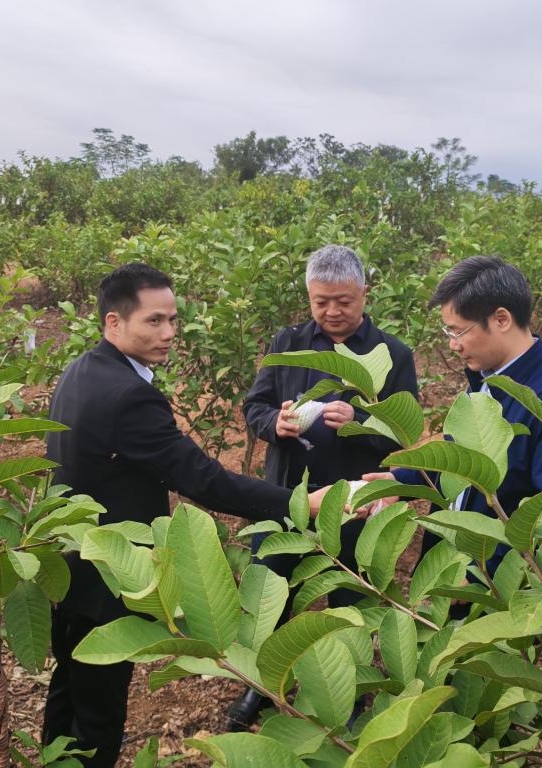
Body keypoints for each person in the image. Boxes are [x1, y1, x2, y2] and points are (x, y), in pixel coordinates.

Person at [41, 263, 328, 767]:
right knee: (99, 719)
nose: (170, 332)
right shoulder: (130, 394)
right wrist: (298, 503)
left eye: (173, 319)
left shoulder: (82, 370)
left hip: (68, 566)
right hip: (110, 578)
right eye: (154, 321)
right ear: (114, 322)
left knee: (69, 693)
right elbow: (201, 478)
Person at [229, 245, 418, 730]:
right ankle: (263, 685)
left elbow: (406, 431)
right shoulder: (288, 343)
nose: (332, 311)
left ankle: (348, 696)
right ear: (309, 297)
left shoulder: (392, 354)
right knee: (269, 592)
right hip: (287, 495)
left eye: (343, 301)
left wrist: (363, 420)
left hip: (354, 502)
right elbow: (255, 407)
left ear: (364, 294)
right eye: (321, 302)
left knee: (349, 602)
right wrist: (275, 424)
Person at [367, 255, 542, 575]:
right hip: (456, 570)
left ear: (501, 319)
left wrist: (484, 574)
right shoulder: (485, 382)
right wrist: (401, 482)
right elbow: (461, 463)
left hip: (494, 587)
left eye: (458, 331)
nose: (452, 345)